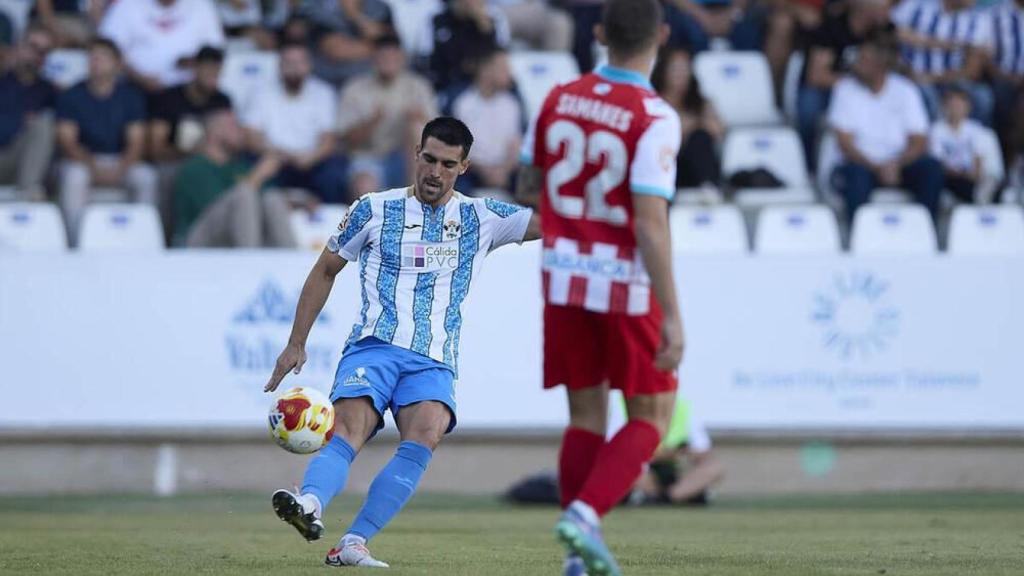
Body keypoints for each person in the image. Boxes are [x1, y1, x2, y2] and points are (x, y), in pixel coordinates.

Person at [263, 117, 541, 568]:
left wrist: (562, 179)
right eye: (429, 159)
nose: (435, 172)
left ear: (464, 167)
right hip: (374, 345)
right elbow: (325, 269)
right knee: (348, 427)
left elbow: (552, 223)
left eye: (447, 164)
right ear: (416, 154)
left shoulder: (483, 217)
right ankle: (309, 503)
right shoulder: (373, 209)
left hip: (433, 358)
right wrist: (297, 342)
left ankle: (354, 542)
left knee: (426, 434)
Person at [516, 1, 684, 574]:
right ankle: (586, 515)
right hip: (625, 285)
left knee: (585, 416)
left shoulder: (557, 98)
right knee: (652, 416)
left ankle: (576, 559)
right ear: (662, 35)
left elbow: (529, 184)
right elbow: (650, 223)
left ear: (599, 34)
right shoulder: (654, 115)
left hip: (564, 276)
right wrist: (673, 313)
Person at [827, 31, 943, 224]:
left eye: (863, 60)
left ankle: (926, 229)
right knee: (856, 176)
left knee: (931, 169)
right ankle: (857, 233)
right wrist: (877, 167)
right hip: (862, 165)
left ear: (879, 65)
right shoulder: (845, 89)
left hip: (900, 163)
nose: (857, 65)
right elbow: (845, 143)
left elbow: (919, 139)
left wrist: (896, 165)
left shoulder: (905, 90)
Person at [56, 38, 157, 241]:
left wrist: (121, 168)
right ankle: (75, 240)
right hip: (83, 161)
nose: (96, 62)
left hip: (120, 160)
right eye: (92, 57)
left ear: (117, 64)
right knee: (74, 177)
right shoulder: (72, 95)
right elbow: (68, 142)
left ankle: (143, 238)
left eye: (102, 57)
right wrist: (92, 166)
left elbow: (137, 142)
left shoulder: (130, 97)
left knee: (146, 176)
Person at [242, 41, 347, 203]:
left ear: (309, 66)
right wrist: (275, 154)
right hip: (274, 158)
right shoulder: (261, 93)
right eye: (289, 63)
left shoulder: (323, 93)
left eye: (299, 62)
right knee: (254, 165)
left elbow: (328, 140)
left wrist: (310, 158)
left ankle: (334, 218)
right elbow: (251, 137)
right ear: (279, 66)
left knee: (334, 174)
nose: (294, 68)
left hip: (312, 160)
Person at [173, 109, 296, 248]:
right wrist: (258, 175)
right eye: (234, 126)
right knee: (244, 194)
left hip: (237, 237)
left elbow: (262, 198)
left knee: (272, 198)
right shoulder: (195, 168)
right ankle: (250, 258)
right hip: (197, 241)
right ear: (215, 132)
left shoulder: (240, 167)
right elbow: (217, 207)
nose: (241, 131)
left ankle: (292, 258)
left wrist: (297, 201)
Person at [336, 34, 438, 199]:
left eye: (393, 58)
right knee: (365, 187)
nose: (388, 62)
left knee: (418, 128)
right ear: (373, 59)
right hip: (369, 157)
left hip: (407, 159)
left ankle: (419, 203)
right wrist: (372, 122)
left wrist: (419, 117)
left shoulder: (418, 86)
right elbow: (347, 140)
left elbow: (438, 134)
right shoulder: (355, 88)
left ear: (402, 59)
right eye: (383, 57)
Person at [795, 0, 891, 169]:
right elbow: (816, 76)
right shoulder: (831, 28)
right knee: (809, 105)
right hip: (829, 88)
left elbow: (890, 67)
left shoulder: (882, 31)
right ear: (864, 8)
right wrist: (854, 83)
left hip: (866, 87)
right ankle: (807, 163)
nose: (886, 12)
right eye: (881, 7)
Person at [891, 0, 994, 125]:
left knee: (982, 97)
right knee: (924, 93)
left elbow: (971, 69)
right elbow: (891, 30)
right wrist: (937, 43)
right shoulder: (916, 5)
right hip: (911, 74)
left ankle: (974, 134)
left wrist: (931, 78)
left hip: (952, 80)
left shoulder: (977, 20)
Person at [98, 0, 225, 92]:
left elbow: (216, 51)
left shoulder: (201, 5)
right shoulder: (127, 5)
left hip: (189, 93)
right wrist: (138, 77)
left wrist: (193, 61)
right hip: (133, 88)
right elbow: (105, 49)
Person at [650, 45, 724, 189]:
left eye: (685, 69)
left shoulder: (700, 102)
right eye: (676, 69)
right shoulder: (654, 102)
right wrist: (695, 124)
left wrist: (692, 126)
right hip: (665, 164)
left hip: (693, 166)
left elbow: (718, 130)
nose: (681, 74)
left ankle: (708, 188)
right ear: (663, 71)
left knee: (700, 138)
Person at [452, 48, 522, 195]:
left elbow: (515, 144)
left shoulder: (511, 103)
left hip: (506, 170)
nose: (509, 74)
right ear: (486, 70)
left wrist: (505, 171)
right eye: (503, 68)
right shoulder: (463, 103)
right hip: (472, 170)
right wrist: (485, 171)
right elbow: (460, 149)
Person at [148, 46, 232, 163]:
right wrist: (195, 151)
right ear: (195, 68)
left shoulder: (222, 101)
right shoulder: (169, 99)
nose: (212, 77)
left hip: (211, 164)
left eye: (217, 72)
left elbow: (231, 143)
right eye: (208, 70)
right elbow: (156, 150)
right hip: (172, 164)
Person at [0, 25, 56, 200]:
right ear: (19, 46)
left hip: (20, 162)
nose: (37, 55)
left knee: (44, 123)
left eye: (43, 52)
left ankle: (28, 194)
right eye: (33, 47)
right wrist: (19, 120)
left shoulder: (49, 91)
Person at [424, 0, 510, 92]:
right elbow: (432, 58)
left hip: (481, 82)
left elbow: (497, 55)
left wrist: (485, 27)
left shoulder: (491, 19)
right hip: (447, 83)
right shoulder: (437, 19)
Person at [930, 86, 986, 203]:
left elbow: (978, 158)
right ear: (944, 106)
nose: (955, 109)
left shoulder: (975, 129)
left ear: (968, 107)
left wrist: (973, 175)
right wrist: (957, 173)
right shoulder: (936, 130)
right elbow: (938, 161)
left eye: (959, 105)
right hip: (947, 177)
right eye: (952, 105)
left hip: (969, 178)